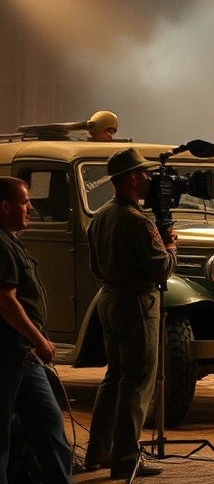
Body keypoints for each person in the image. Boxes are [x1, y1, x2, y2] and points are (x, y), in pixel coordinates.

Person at [84, 148, 177, 479]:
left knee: (114, 377)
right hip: (138, 303)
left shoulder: (100, 217)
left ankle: (98, 452)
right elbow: (161, 270)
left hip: (109, 298)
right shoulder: (137, 221)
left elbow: (95, 266)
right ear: (133, 178)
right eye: (145, 174)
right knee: (138, 381)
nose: (149, 179)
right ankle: (126, 457)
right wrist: (171, 247)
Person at [0, 177, 72, 484]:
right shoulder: (1, 244)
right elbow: (5, 301)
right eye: (24, 202)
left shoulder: (10, 239)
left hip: (25, 355)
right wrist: (37, 337)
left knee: (49, 424)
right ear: (5, 207)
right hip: (7, 350)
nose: (30, 208)